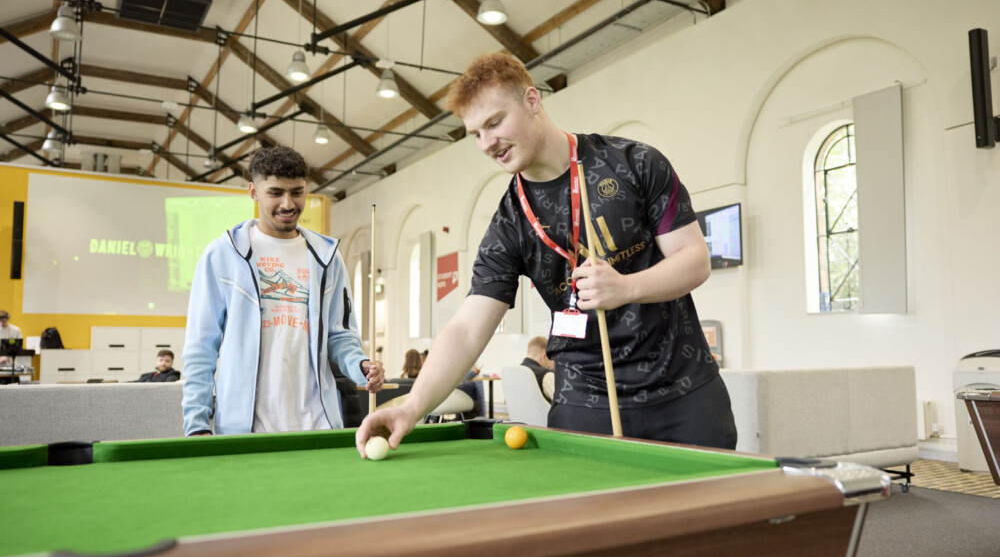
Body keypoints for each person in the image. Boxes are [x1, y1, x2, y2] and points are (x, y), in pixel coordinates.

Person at [357, 52, 735, 456]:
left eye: (494, 122)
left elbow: (694, 259)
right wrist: (412, 407)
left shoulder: (635, 163)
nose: (487, 143)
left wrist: (625, 287)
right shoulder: (508, 222)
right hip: (585, 401)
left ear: (532, 102)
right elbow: (467, 328)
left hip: (684, 390)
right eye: (475, 134)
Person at [182, 146, 384, 436]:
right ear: (254, 191)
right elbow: (201, 348)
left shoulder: (327, 257)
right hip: (245, 430)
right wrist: (196, 424)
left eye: (297, 192)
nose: (288, 204)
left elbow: (340, 336)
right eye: (275, 193)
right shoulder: (223, 254)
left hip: (318, 423)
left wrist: (360, 365)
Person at [521, 336, 555, 403]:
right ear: (544, 356)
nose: (553, 362)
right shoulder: (546, 375)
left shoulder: (516, 372)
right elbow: (562, 402)